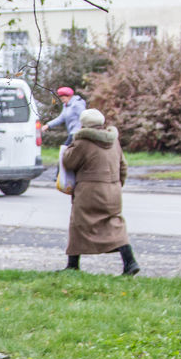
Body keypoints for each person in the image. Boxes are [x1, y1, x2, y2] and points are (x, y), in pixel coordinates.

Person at [60, 108, 140, 276]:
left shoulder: (83, 142)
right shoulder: (114, 141)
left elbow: (69, 162)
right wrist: (116, 186)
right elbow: (123, 166)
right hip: (113, 190)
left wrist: (69, 147)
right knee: (114, 225)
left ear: (83, 124)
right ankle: (130, 262)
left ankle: (73, 265)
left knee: (78, 224)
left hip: (90, 192)